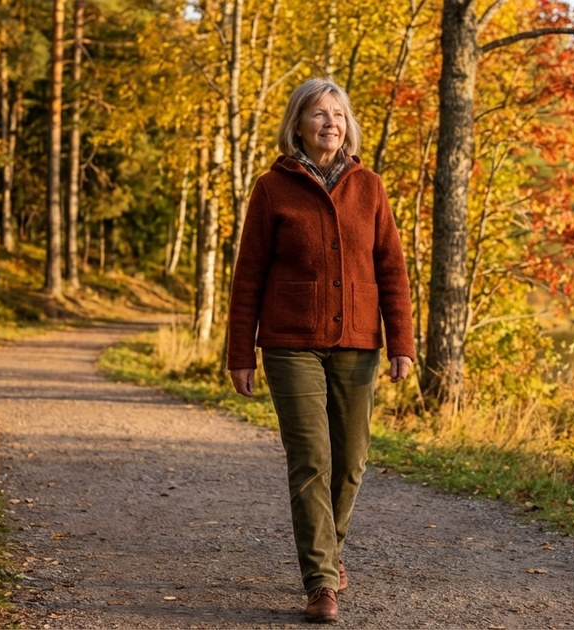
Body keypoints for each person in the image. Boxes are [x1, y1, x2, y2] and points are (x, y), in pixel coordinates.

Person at [226, 77, 415, 624]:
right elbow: (248, 277)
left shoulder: (370, 186)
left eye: (338, 113)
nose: (330, 122)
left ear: (348, 124)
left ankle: (328, 550)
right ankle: (321, 581)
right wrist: (241, 352)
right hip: (290, 344)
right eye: (318, 113)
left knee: (351, 460)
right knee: (311, 460)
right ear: (298, 124)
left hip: (358, 341)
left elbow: (392, 271)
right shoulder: (272, 188)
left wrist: (400, 340)